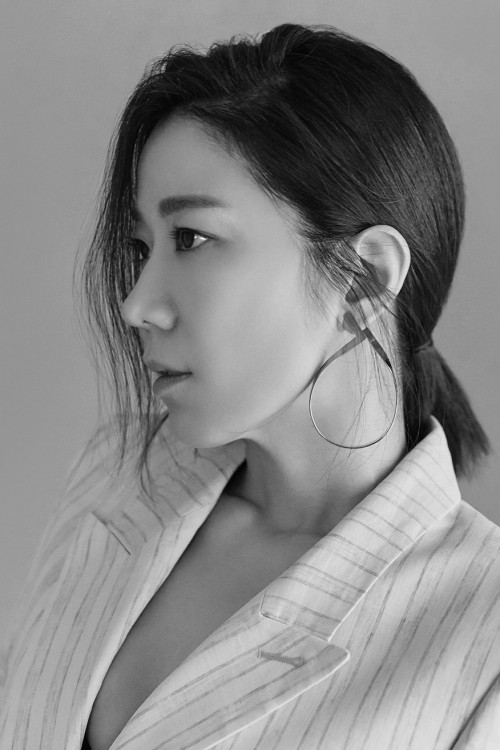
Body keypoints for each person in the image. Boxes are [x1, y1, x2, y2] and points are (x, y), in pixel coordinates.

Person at [1, 21, 499, 750]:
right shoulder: (117, 474)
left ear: (364, 279)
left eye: (192, 238)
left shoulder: (482, 633)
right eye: (141, 247)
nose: (137, 304)